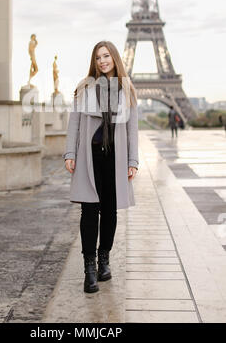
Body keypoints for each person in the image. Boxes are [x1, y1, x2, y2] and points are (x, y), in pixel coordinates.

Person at [62, 41, 139, 293]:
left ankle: (104, 258)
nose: (102, 61)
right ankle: (90, 268)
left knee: (109, 212)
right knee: (89, 211)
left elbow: (132, 129)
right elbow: (74, 122)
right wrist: (70, 152)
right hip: (89, 156)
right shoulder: (84, 87)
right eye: (98, 57)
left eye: (106, 56)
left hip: (115, 158)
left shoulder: (127, 89)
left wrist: (132, 161)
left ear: (115, 58)